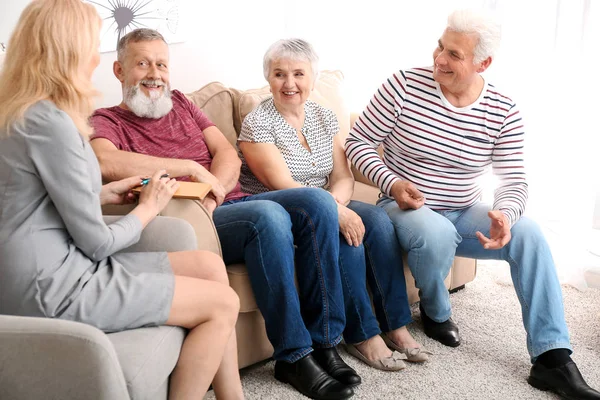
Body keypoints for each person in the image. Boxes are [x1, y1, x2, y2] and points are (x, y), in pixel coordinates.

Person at [345, 8, 600, 399]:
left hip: (464, 211)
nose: (439, 59)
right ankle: (436, 312)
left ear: (484, 62)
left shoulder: (503, 110)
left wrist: (506, 216)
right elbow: (357, 142)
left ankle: (552, 358)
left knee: (529, 233)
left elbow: (514, 179)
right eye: (439, 47)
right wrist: (392, 183)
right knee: (434, 230)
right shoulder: (402, 85)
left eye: (454, 55)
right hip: (401, 208)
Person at [90, 28, 358, 400]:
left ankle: (324, 341)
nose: (155, 73)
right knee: (269, 216)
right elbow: (105, 160)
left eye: (162, 64)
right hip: (187, 218)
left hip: (227, 205)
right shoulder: (107, 120)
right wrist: (186, 165)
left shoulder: (182, 103)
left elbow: (227, 153)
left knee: (316, 201)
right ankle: (293, 356)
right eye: (142, 63)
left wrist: (215, 191)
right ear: (119, 70)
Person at [0, 1, 243, 400]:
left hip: (42, 268)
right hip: (52, 285)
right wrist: (148, 207)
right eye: (93, 45)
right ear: (70, 49)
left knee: (208, 265)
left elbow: (31, 203)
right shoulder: (53, 123)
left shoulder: (21, 111)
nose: (97, 56)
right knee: (221, 302)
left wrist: (102, 194)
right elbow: (97, 245)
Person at [238, 38, 431, 372]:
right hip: (288, 210)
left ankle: (395, 325)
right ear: (268, 78)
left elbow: (343, 175)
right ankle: (363, 335)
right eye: (279, 74)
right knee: (347, 237)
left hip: (328, 199)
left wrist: (338, 205)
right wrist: (333, 212)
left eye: (298, 74)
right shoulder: (257, 124)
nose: (289, 83)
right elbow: (281, 184)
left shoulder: (323, 116)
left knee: (378, 222)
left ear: (312, 78)